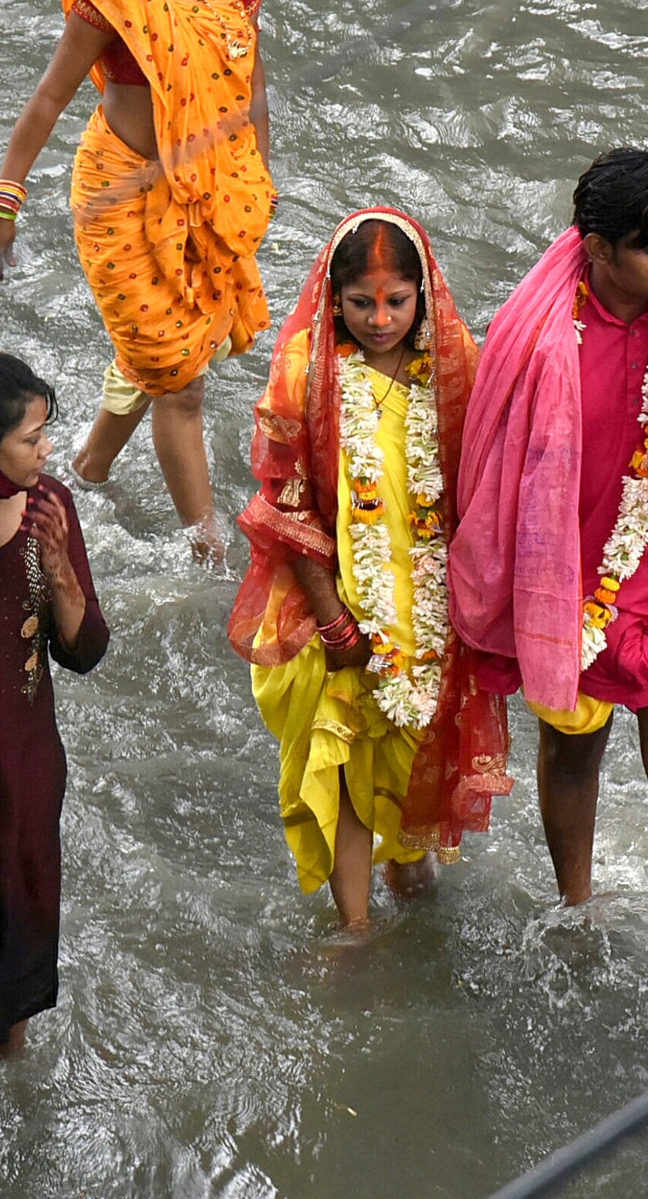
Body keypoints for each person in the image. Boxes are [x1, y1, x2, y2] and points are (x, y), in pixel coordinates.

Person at [448, 150, 648, 983]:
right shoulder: (533, 335)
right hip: (564, 604)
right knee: (572, 757)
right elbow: (487, 473)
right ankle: (575, 908)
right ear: (597, 248)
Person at [0, 0, 275, 564]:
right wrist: (4, 199)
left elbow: (248, 75)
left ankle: (89, 468)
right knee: (182, 386)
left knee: (162, 351)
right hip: (122, 197)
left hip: (212, 187)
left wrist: (258, 178)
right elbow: (51, 95)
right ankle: (209, 552)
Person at [229, 208, 511, 930]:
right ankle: (354, 931)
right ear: (334, 299)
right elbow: (286, 509)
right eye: (361, 303)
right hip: (338, 607)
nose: (380, 319)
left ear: (423, 296)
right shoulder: (306, 370)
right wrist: (332, 619)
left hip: (430, 607)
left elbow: (485, 486)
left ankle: (411, 885)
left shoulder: (452, 366)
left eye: (396, 301)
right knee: (347, 761)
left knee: (416, 759)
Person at [0, 351, 109, 1059]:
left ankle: (9, 1066)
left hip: (21, 773)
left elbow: (83, 653)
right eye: (31, 437)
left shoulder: (49, 507)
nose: (48, 449)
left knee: (13, 941)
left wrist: (61, 580)